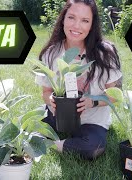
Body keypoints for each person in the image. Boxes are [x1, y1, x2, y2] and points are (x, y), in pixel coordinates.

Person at [35, 0, 122, 160]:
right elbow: (46, 92)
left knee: (93, 148)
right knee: (27, 123)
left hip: (92, 120)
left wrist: (92, 101)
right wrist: (52, 99)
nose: (76, 26)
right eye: (71, 17)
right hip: (58, 115)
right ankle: (49, 138)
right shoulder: (51, 53)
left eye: (85, 20)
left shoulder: (105, 53)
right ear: (63, 19)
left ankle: (50, 144)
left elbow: (115, 95)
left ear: (92, 25)